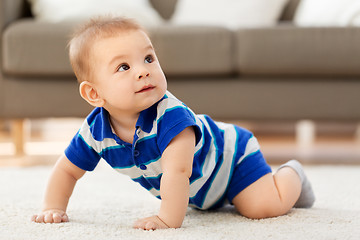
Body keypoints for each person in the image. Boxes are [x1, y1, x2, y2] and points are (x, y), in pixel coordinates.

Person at [31, 17, 315, 230]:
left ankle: (292, 177)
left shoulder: (172, 118)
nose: (143, 71)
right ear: (94, 94)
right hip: (202, 189)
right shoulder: (95, 131)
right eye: (124, 67)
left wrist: (167, 219)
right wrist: (53, 208)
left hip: (232, 159)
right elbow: (67, 170)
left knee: (262, 207)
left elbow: (178, 172)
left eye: (148, 58)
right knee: (218, 203)